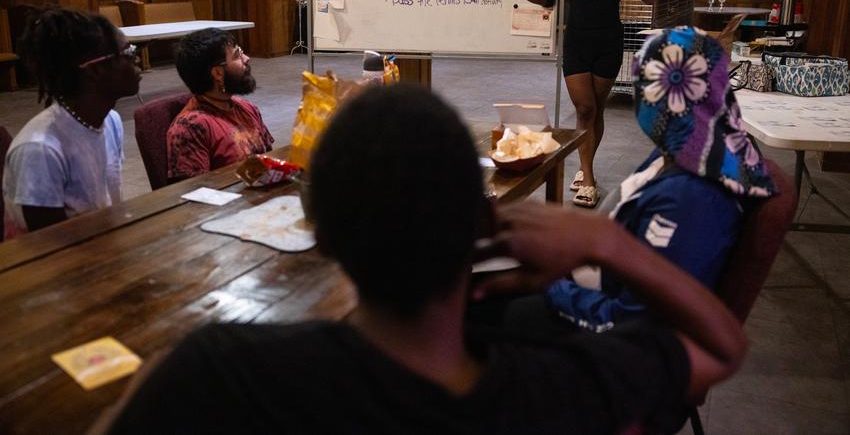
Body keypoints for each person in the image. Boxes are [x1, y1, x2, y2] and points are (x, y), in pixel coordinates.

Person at [102, 85, 746, 435]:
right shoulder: (565, 385)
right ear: (486, 224)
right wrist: (604, 240)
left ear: (321, 238)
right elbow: (722, 347)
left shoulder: (223, 375)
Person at [547, 28, 777, 332]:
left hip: (600, 337)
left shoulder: (691, 198)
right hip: (596, 283)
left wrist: (548, 285)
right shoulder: (698, 151)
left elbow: (634, 322)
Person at [498, 0, 662, 208]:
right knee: (584, 108)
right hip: (575, 44)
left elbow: (650, 0)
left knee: (595, 109)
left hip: (608, 44)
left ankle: (587, 166)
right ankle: (587, 178)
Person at [2, 6, 141, 239]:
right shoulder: (40, 149)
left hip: (100, 248)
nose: (136, 59)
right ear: (96, 69)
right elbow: (49, 245)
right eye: (128, 52)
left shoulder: (111, 121)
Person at [167, 28, 273, 182]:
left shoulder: (247, 108)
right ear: (217, 73)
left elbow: (269, 162)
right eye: (237, 55)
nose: (247, 58)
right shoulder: (189, 128)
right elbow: (197, 194)